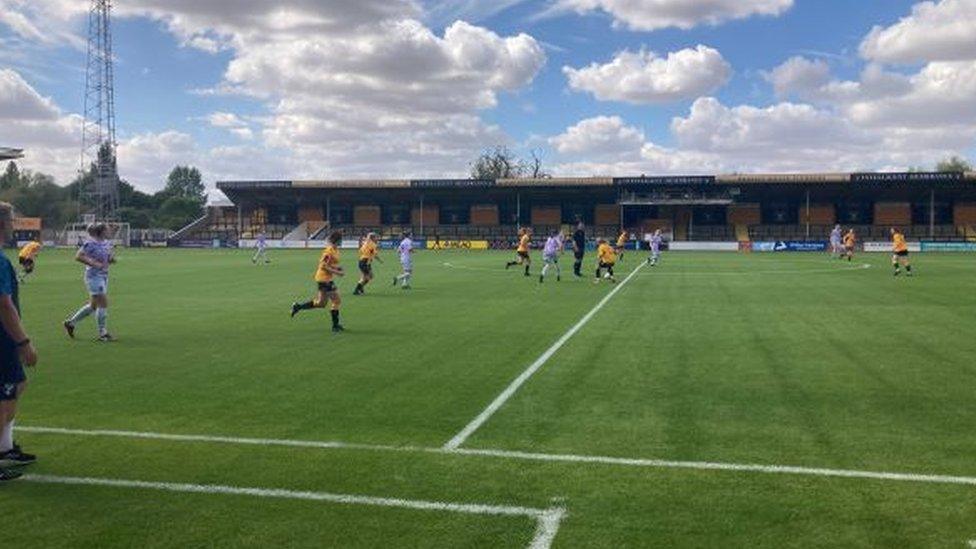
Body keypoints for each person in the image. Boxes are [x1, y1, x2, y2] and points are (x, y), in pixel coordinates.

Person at [0, 202, 38, 481]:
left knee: (17, 385)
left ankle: (5, 447)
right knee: (5, 395)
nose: (14, 224)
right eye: (11, 220)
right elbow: (4, 305)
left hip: (5, 337)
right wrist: (23, 342)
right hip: (3, 338)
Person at [63, 223, 116, 342]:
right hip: (93, 277)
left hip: (103, 276)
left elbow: (107, 258)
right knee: (103, 303)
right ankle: (103, 333)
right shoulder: (90, 243)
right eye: (107, 230)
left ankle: (70, 323)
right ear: (101, 231)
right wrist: (94, 263)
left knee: (93, 306)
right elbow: (78, 256)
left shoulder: (106, 243)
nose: (109, 232)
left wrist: (111, 259)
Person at [291, 231, 345, 333]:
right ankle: (335, 326)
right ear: (337, 240)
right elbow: (323, 266)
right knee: (336, 301)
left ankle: (297, 307)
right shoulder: (329, 251)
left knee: (321, 303)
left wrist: (336, 268)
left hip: (324, 278)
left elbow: (328, 264)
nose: (342, 241)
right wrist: (337, 272)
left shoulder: (335, 250)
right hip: (325, 279)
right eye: (341, 239)